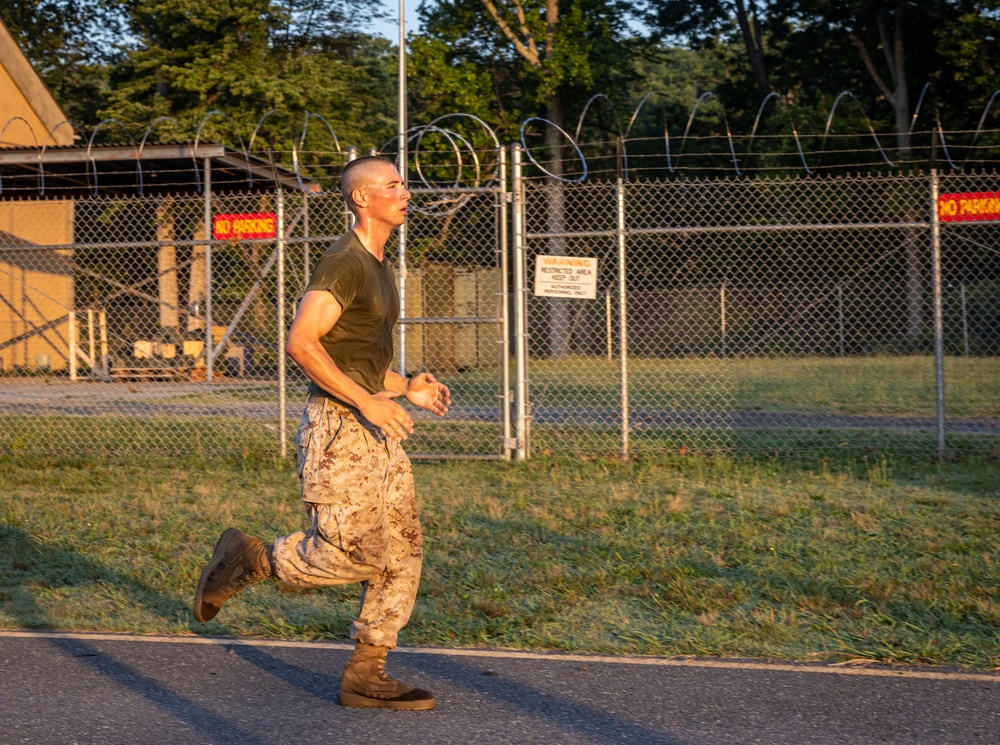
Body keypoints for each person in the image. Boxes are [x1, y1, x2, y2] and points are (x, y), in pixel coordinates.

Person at [193, 155, 450, 711]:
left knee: (402, 551)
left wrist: (406, 387)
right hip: (340, 427)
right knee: (356, 553)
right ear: (361, 198)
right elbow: (303, 343)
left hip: (375, 423)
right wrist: (368, 403)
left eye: (404, 183)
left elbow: (351, 356)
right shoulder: (345, 263)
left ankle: (366, 673)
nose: (405, 191)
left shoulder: (379, 265)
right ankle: (252, 559)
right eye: (393, 184)